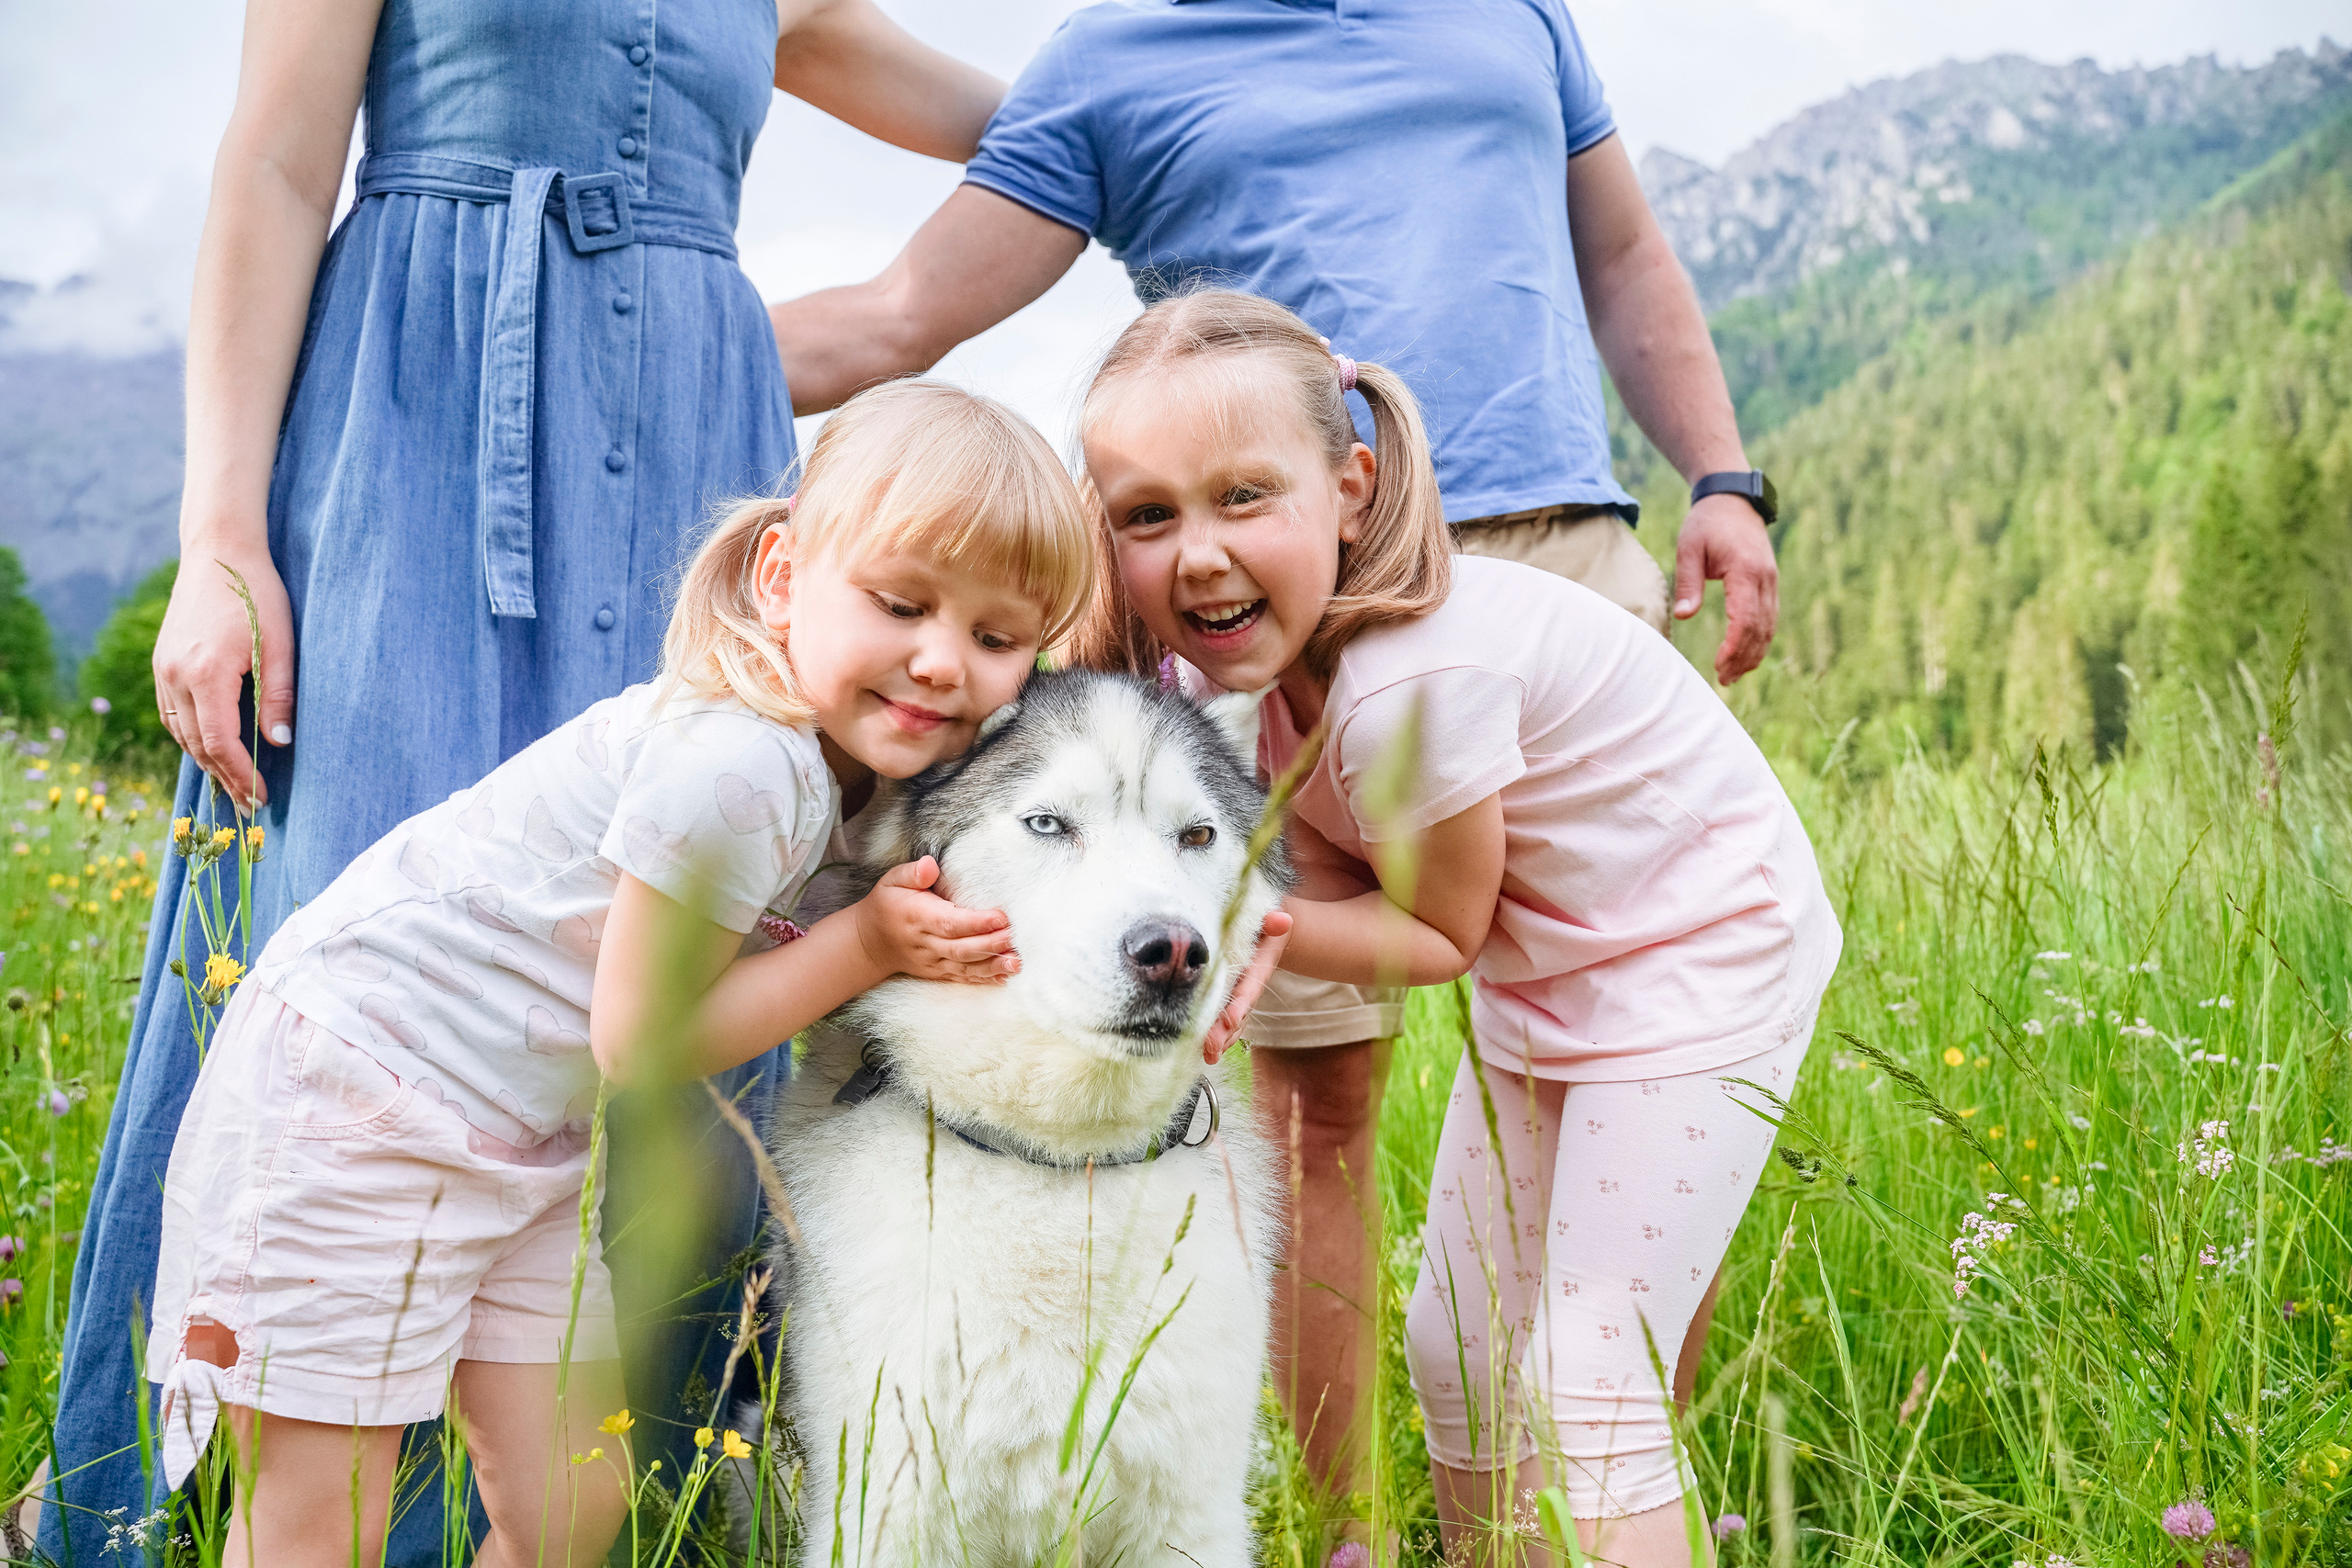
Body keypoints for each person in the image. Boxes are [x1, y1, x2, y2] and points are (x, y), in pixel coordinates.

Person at [766, 1, 1780, 1526]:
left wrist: (1722, 470)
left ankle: (1620, 1487)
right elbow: (896, 312)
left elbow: (1623, 254)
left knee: (1601, 1308)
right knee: (1333, 1147)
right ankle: (1357, 1533)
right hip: (1273, 628)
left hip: (1539, 601)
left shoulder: (1515, 14)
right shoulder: (1111, 64)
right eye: (1136, 514)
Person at [44, 1, 1006, 1559]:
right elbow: (281, 165)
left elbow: (1020, 162)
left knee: (675, 1001)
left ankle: (651, 1475)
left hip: (690, 433)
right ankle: (257, 1494)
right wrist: (222, 533)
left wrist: (1174, 114)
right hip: (423, 407)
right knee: (372, 943)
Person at [142, 380, 1094, 1567]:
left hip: (518, 1140)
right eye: (903, 603)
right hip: (361, 1098)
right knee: (316, 1524)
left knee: (575, 1504)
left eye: (997, 638)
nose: (945, 660)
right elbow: (638, 1045)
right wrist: (863, 948)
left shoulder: (857, 777)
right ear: (786, 575)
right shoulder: (742, 766)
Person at [1072, 290, 1839, 1567]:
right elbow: (1321, 864)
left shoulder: (1414, 679)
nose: (1196, 554)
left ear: (1352, 490)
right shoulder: (1253, 687)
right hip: (1557, 979)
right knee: (1459, 1348)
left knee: (1591, 1374)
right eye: (1148, 514)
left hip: (1701, 961)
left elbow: (1433, 934)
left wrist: (1248, 919)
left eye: (1243, 496)